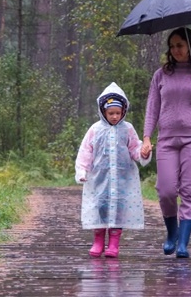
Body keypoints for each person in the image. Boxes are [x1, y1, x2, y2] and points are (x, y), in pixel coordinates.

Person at [140, 27, 191, 258]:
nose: (175, 50)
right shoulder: (161, 75)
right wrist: (146, 138)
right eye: (172, 46)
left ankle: (183, 243)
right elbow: (152, 108)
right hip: (166, 140)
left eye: (180, 46)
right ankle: (171, 234)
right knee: (165, 190)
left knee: (189, 190)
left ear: (190, 47)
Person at [75, 82, 152, 258]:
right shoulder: (95, 129)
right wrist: (82, 171)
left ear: (123, 111)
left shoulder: (128, 129)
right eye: (111, 113)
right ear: (103, 111)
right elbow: (86, 151)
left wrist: (143, 152)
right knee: (100, 207)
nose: (115, 117)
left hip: (122, 179)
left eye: (118, 113)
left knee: (118, 209)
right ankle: (99, 241)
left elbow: (134, 149)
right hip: (99, 179)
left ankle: (114, 244)